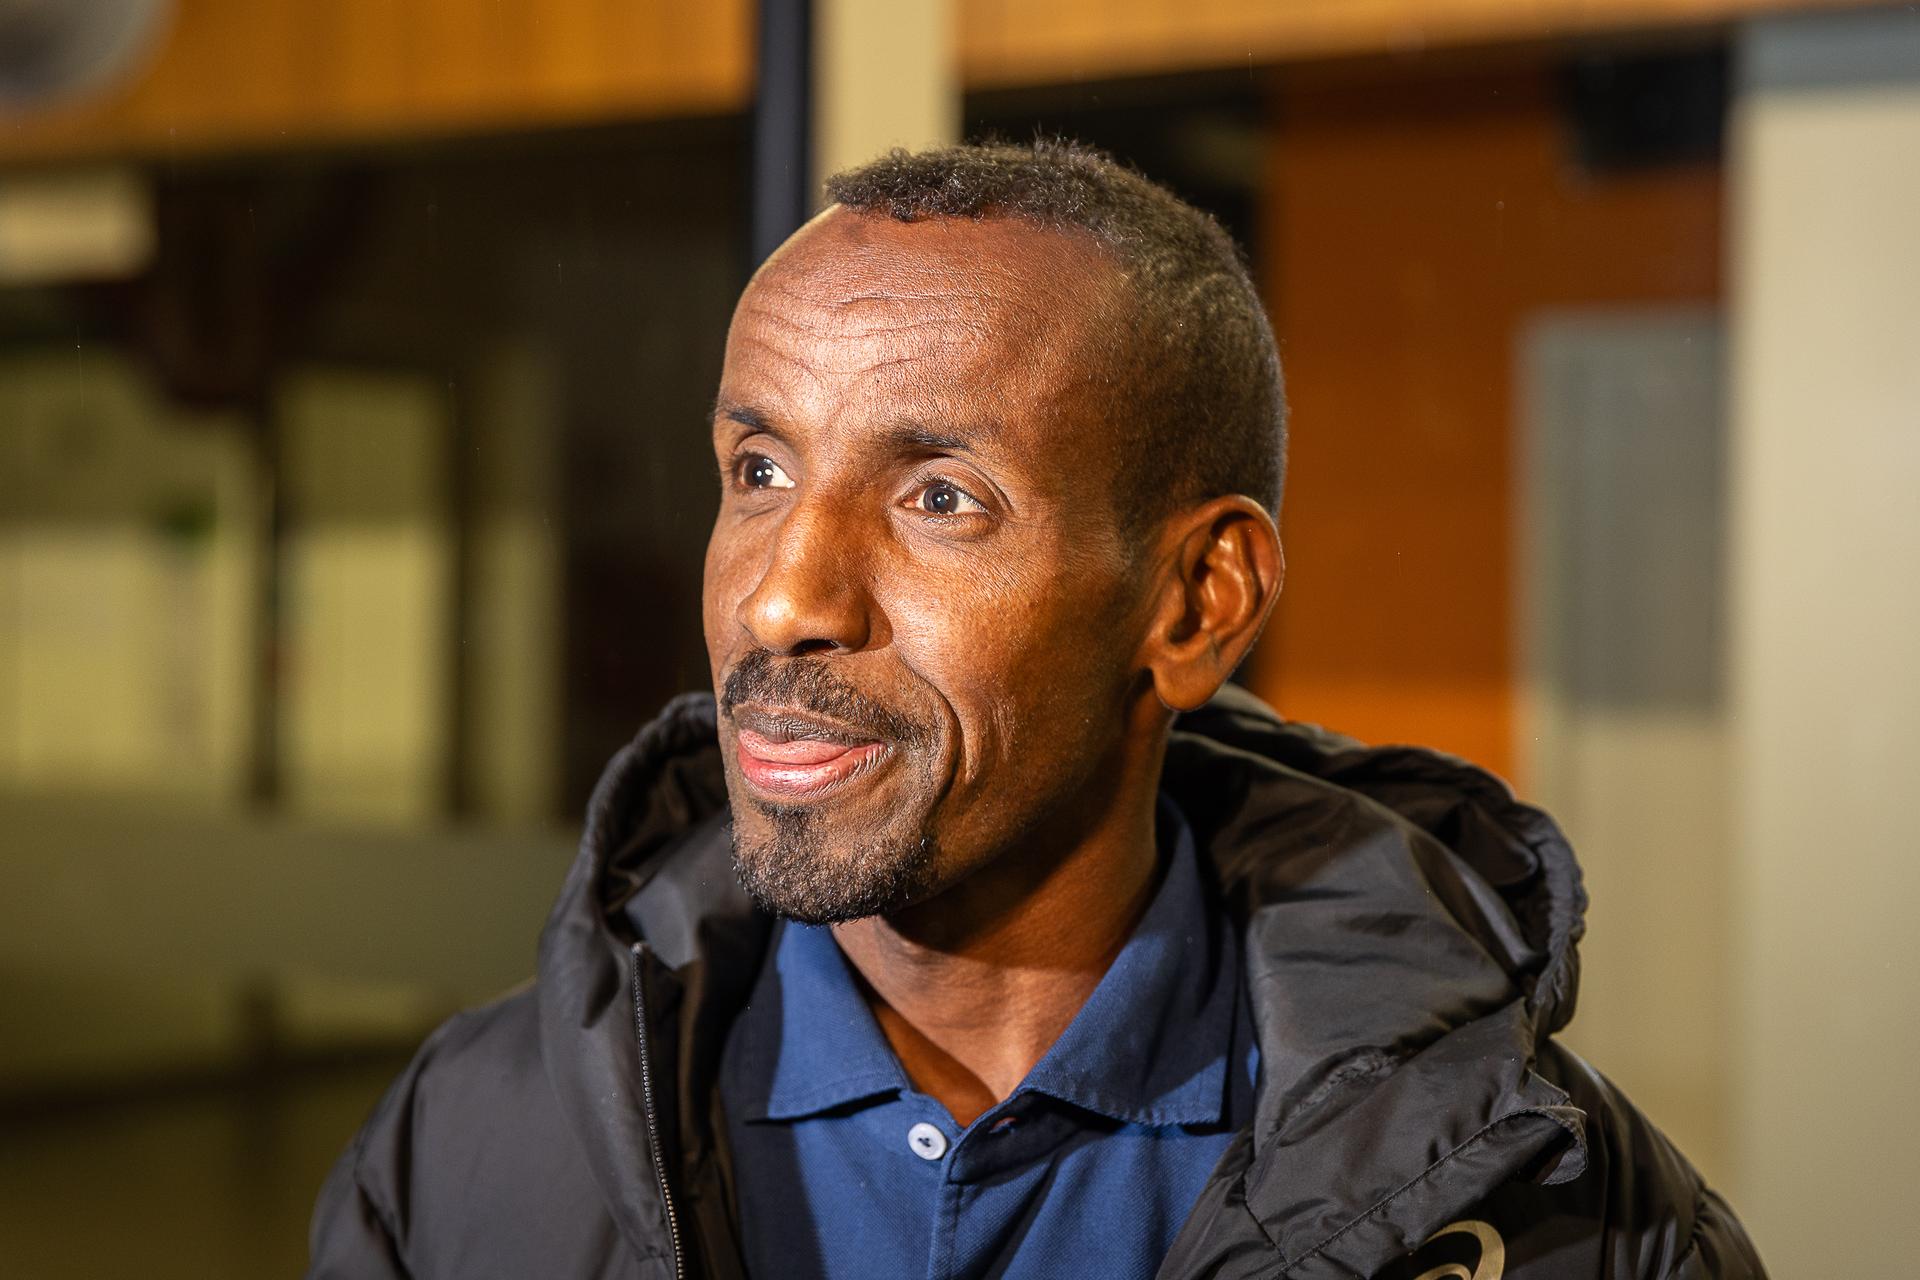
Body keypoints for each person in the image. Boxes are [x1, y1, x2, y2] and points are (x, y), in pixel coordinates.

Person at [307, 140, 1765, 1280]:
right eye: (758, 472)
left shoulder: (1563, 1213)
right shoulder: (478, 1144)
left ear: (1196, 602)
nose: (778, 599)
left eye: (940, 497)